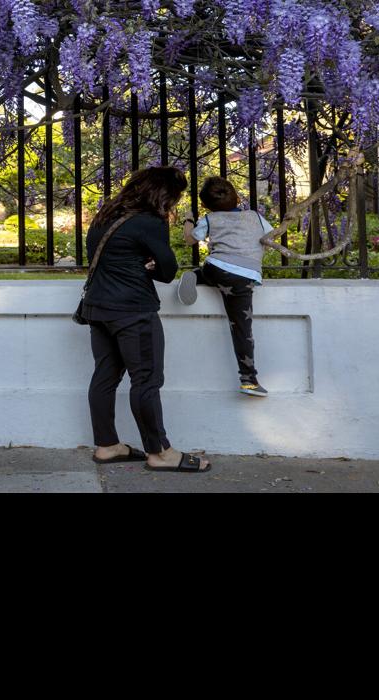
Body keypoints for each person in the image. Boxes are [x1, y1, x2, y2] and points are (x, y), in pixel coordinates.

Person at [78, 166, 211, 474]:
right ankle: (159, 451)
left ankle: (107, 445)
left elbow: (112, 260)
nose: (174, 205)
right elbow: (167, 271)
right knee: (146, 381)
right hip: (133, 312)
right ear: (163, 195)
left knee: (104, 377)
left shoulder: (103, 218)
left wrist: (140, 262)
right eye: (175, 198)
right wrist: (149, 266)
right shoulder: (150, 221)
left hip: (98, 309)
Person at [175, 176, 278, 397]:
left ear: (205, 205)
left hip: (217, 268)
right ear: (237, 197)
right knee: (241, 327)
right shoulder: (254, 216)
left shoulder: (210, 218)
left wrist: (189, 220)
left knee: (207, 272)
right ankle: (248, 380)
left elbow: (190, 240)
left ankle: (195, 276)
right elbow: (270, 236)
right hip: (245, 275)